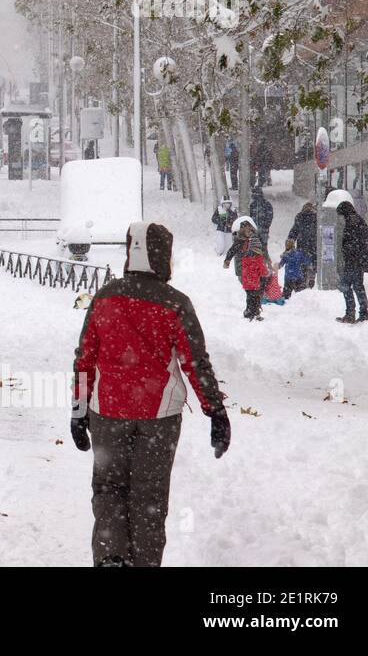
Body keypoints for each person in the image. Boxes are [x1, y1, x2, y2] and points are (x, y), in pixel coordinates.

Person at [71, 222, 229, 567]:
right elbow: (195, 361)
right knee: (149, 496)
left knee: (109, 489)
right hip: (158, 416)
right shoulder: (175, 304)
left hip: (107, 411)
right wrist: (215, 410)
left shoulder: (105, 297)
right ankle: (144, 561)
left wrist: (78, 408)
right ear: (163, 256)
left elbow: (86, 355)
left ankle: (112, 557)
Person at [225, 223, 268, 320]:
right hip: (250, 276)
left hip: (248, 276)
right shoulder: (241, 241)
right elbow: (232, 250)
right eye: (246, 229)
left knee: (251, 295)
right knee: (254, 295)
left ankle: (250, 311)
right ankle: (253, 311)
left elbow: (263, 252)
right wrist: (227, 260)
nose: (248, 231)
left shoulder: (254, 240)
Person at [336, 200, 368, 323]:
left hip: (353, 261)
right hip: (358, 261)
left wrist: (347, 253)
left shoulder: (352, 222)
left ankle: (353, 313)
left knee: (347, 286)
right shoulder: (358, 220)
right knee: (357, 287)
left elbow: (353, 243)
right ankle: (362, 313)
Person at [287, 201, 318, 275]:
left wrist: (290, 241)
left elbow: (294, 231)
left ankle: (304, 277)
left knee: (302, 264)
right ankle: (311, 276)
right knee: (313, 262)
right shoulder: (316, 217)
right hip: (313, 244)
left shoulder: (300, 216)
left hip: (302, 244)